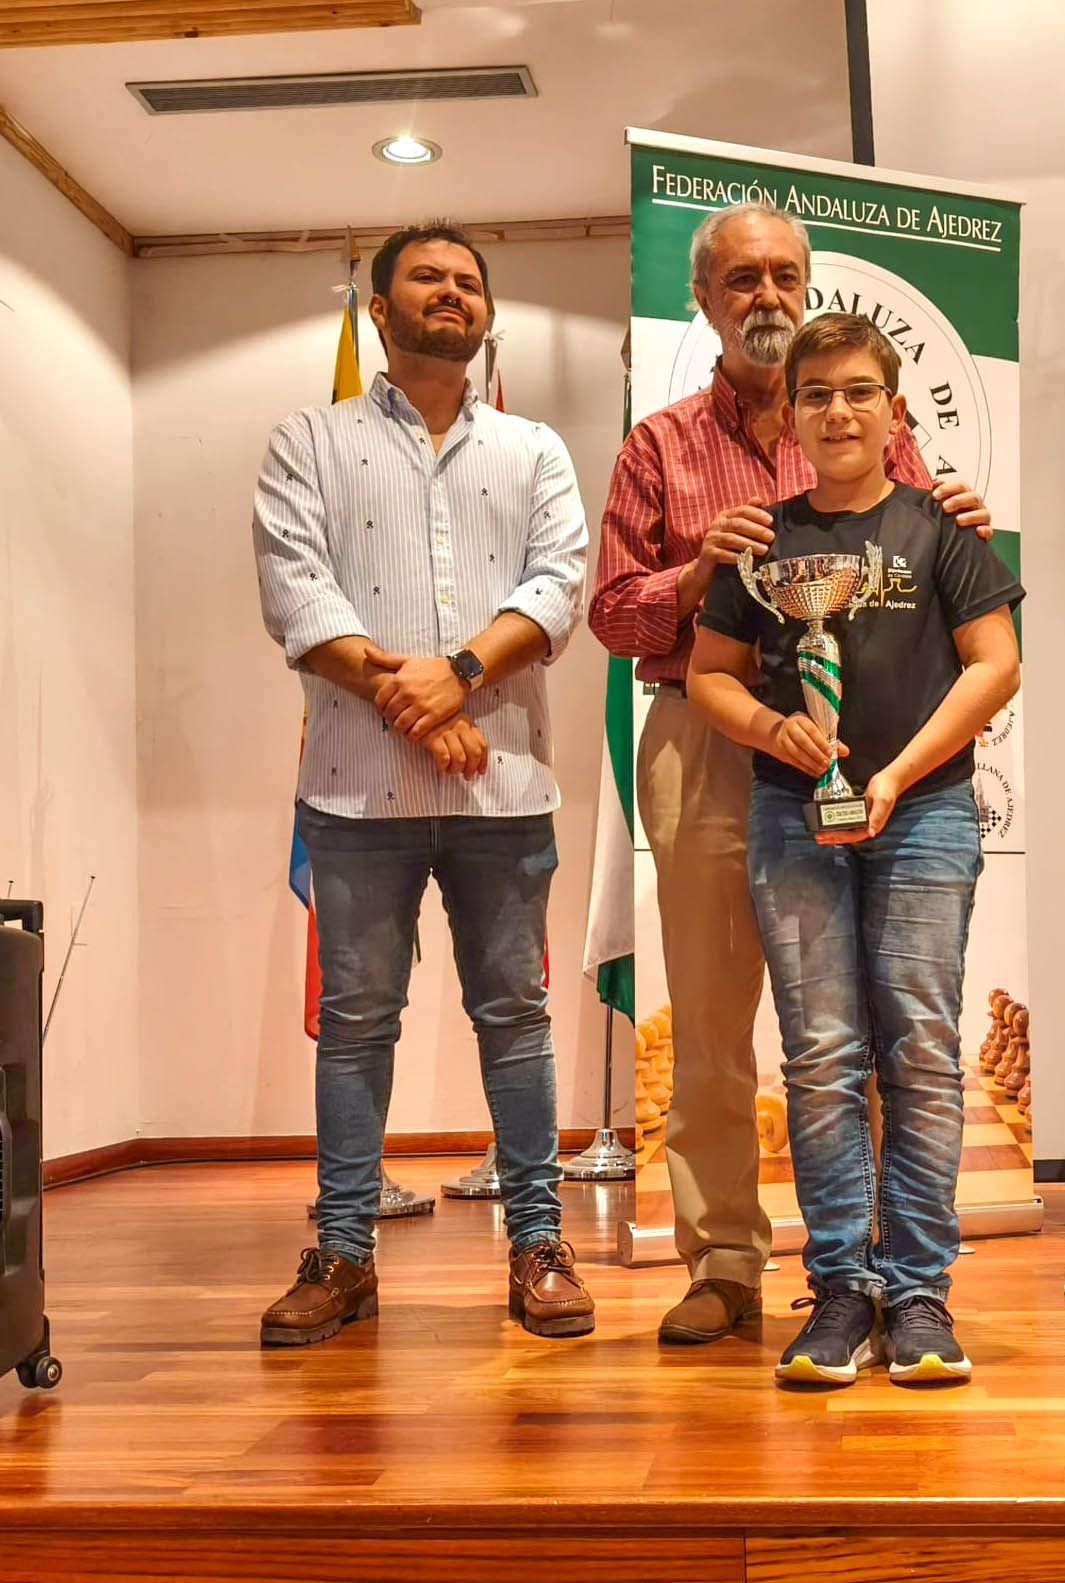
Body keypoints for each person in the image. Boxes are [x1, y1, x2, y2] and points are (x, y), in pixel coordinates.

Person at [590, 202, 991, 1345]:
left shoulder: (871, 426)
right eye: (740, 279)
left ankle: (889, 1272)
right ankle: (724, 1258)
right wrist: (693, 575)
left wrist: (961, 516)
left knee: (879, 1022)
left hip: (860, 750)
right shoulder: (659, 444)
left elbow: (919, 562)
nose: (763, 295)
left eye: (782, 276)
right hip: (708, 735)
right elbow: (612, 614)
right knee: (716, 1021)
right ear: (701, 299)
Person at [251, 222, 595, 1346]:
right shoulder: (309, 440)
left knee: (517, 1018)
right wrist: (424, 705)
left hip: (505, 789)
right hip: (356, 793)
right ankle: (344, 1254)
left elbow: (558, 587)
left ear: (485, 312)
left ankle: (538, 1245)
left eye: (468, 281)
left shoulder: (534, 449)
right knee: (356, 1024)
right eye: (427, 278)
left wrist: (458, 677)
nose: (452, 292)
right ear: (380, 309)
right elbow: (297, 594)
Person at [688, 313, 1022, 1384]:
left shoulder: (942, 526)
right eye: (816, 393)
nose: (838, 411)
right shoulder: (759, 542)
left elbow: (995, 665)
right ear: (787, 415)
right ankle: (839, 1285)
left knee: (919, 1046)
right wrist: (768, 727)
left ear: (894, 410)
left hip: (922, 814)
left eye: (858, 391)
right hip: (794, 814)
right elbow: (707, 674)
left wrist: (897, 773)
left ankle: (917, 1289)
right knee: (821, 1054)